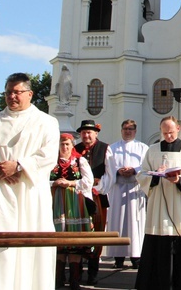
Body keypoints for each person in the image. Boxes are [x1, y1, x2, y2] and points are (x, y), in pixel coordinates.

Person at [0, 73, 60, 290]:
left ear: (30, 94)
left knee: (30, 247)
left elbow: (48, 155)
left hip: (29, 192)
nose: (12, 96)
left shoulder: (46, 122)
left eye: (17, 92)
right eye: (9, 92)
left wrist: (19, 165)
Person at [135, 116, 181, 290]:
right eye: (165, 133)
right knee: (158, 246)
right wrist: (154, 175)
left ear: (178, 128)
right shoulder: (152, 150)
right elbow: (141, 174)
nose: (168, 136)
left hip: (180, 203)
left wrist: (180, 179)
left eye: (171, 132)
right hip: (158, 204)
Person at [100, 119, 149, 269]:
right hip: (118, 187)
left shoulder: (143, 148)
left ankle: (136, 256)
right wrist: (118, 171)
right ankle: (119, 257)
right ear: (121, 130)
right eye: (125, 129)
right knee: (118, 223)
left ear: (135, 131)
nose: (128, 131)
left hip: (135, 189)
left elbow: (146, 166)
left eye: (131, 129)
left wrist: (134, 170)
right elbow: (109, 166)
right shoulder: (113, 148)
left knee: (135, 223)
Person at [51, 133, 94, 290]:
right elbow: (40, 179)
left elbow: (88, 181)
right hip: (55, 203)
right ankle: (58, 278)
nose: (64, 147)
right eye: (62, 144)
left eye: (67, 144)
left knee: (74, 240)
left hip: (75, 204)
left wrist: (70, 182)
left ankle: (75, 280)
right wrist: (54, 182)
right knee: (58, 241)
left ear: (72, 145)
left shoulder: (79, 161)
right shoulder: (51, 161)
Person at [74, 119, 110, 285]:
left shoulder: (104, 148)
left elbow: (111, 173)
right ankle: (76, 270)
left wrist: (99, 186)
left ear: (96, 133)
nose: (86, 135)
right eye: (83, 132)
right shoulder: (75, 150)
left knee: (97, 231)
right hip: (79, 194)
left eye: (89, 132)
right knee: (78, 231)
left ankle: (93, 272)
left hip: (97, 194)